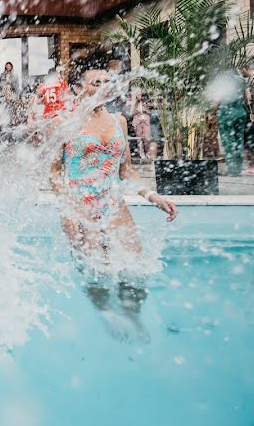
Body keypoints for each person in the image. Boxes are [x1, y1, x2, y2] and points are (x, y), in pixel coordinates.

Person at [49, 48, 177, 343]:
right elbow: (54, 172)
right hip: (78, 205)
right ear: (78, 88)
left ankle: (133, 317)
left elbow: (126, 171)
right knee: (96, 270)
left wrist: (152, 196)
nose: (104, 87)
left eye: (108, 81)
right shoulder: (63, 122)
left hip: (113, 205)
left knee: (136, 268)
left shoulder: (119, 121)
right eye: (96, 83)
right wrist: (69, 205)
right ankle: (107, 316)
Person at [214, 68, 248, 177]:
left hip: (226, 113)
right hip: (240, 112)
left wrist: (212, 110)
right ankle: (238, 169)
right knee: (239, 140)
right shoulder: (242, 81)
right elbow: (248, 97)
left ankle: (232, 169)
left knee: (228, 141)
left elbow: (216, 99)